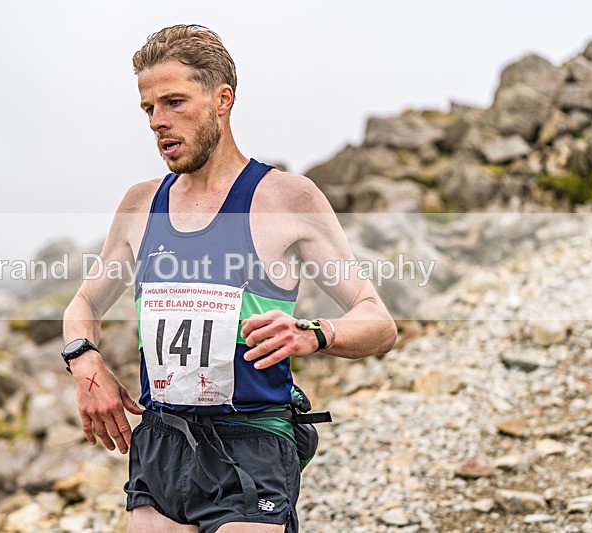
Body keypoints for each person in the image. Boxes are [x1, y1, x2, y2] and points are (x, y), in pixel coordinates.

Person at [61, 24, 397, 533]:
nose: (157, 122)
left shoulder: (287, 199)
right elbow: (85, 302)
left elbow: (378, 321)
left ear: (223, 99)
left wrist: (314, 334)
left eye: (174, 102)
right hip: (161, 444)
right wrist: (85, 362)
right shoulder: (139, 205)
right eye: (148, 109)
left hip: (252, 445)